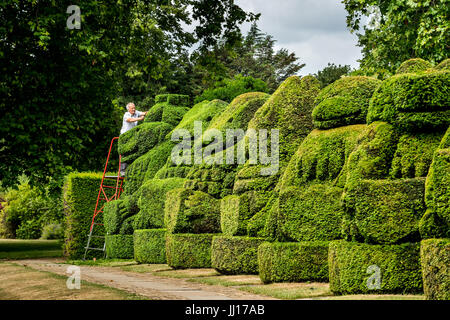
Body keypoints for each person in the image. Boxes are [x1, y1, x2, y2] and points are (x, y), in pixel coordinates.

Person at [119, 102, 147, 176]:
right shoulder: (126, 115)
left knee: (133, 151)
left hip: (132, 136)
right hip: (124, 137)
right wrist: (140, 119)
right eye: (132, 108)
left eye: (134, 108)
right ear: (128, 109)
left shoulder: (136, 112)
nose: (134, 109)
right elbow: (130, 120)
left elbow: (144, 113)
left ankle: (131, 169)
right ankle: (122, 171)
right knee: (125, 153)